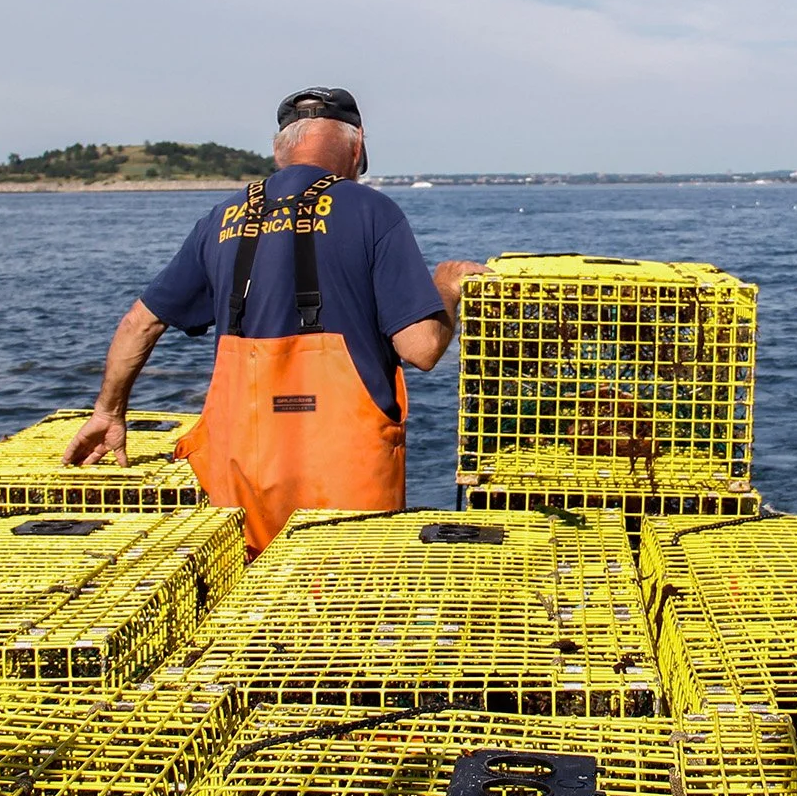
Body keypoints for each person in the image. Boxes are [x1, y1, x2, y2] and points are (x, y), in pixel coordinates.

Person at [62, 87, 485, 551]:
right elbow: (421, 348)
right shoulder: (373, 212)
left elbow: (138, 324)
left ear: (279, 148)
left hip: (240, 476)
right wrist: (445, 287)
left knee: (253, 615)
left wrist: (107, 412)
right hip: (345, 480)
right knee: (343, 610)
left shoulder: (222, 218)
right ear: (358, 145)